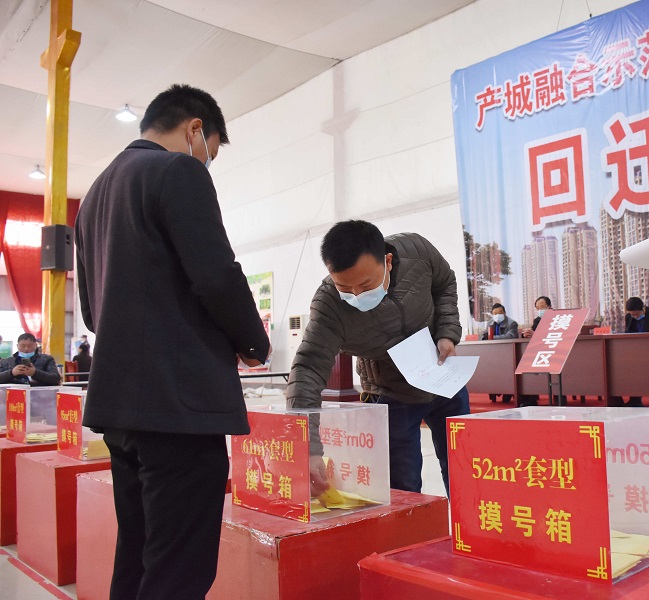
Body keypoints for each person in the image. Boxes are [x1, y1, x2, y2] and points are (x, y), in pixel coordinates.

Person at [75, 84, 271, 600]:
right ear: (194, 130)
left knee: (138, 556)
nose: (206, 162)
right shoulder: (176, 170)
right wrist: (253, 342)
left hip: (120, 409)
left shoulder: (94, 195)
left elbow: (92, 313)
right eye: (211, 152)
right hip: (179, 406)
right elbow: (216, 274)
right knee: (180, 568)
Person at [287, 220, 468, 496]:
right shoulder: (329, 305)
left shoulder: (417, 251)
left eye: (366, 284)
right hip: (392, 395)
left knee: (464, 468)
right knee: (403, 489)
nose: (357, 295)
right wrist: (309, 449)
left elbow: (444, 284)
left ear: (388, 261)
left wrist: (447, 333)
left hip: (444, 377)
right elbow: (307, 370)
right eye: (345, 288)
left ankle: (469, 522)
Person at [608, 297, 649, 408]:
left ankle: (635, 400)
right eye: (632, 315)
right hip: (635, 351)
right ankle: (618, 401)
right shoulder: (629, 317)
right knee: (618, 367)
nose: (634, 317)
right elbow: (628, 334)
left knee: (636, 368)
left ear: (642, 309)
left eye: (636, 314)